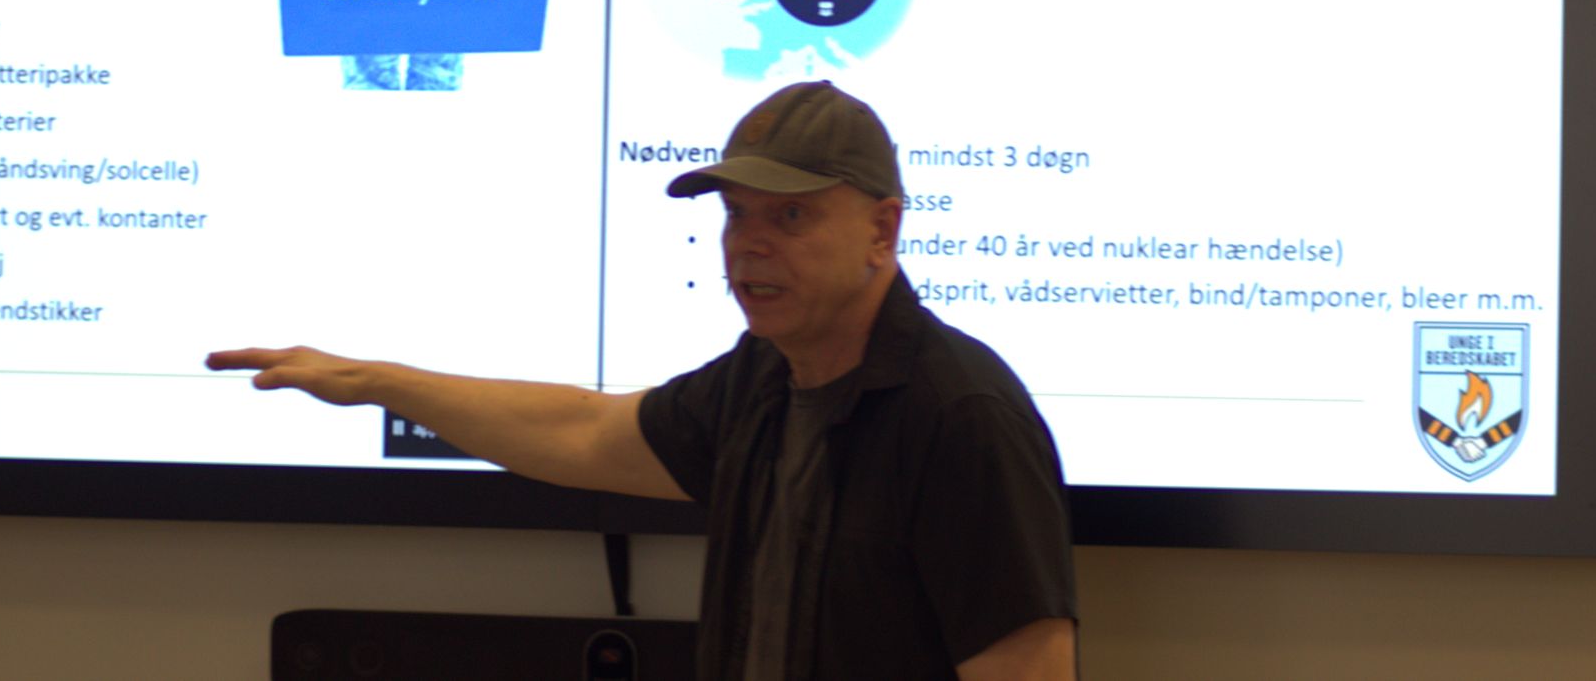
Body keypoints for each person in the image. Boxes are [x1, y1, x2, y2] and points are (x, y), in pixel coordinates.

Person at [208, 81, 1078, 679]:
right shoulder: (761, 384)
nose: (748, 244)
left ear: (883, 231)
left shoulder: (961, 418)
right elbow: (582, 432)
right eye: (735, 214)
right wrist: (376, 381)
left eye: (792, 215)